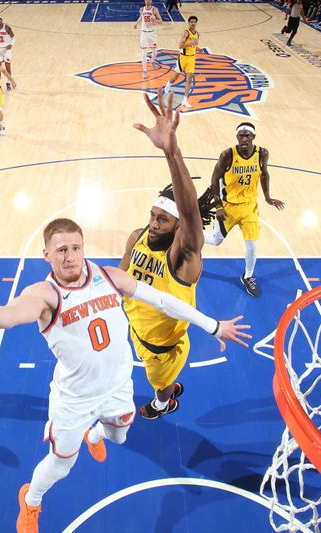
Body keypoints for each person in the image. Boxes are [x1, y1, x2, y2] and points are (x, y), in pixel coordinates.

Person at [0, 217, 250, 533]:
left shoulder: (109, 277)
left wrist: (213, 325)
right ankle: (31, 501)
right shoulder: (44, 295)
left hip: (116, 387)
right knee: (60, 466)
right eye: (62, 250)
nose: (70, 256)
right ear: (47, 256)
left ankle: (94, 435)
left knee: (119, 438)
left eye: (76, 247)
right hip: (74, 401)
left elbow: (162, 300)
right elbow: (5, 316)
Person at [121, 90, 219, 419]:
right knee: (160, 375)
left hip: (160, 351)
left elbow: (191, 211)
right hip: (138, 331)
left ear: (180, 227)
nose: (152, 224)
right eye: (152, 215)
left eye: (162, 219)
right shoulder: (137, 237)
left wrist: (171, 154)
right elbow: (121, 280)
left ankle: (165, 401)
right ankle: (169, 387)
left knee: (157, 386)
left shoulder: (184, 258)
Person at [203, 123, 285, 297]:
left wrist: (268, 197)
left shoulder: (262, 153)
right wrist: (217, 205)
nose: (244, 138)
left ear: (253, 137)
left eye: (247, 135)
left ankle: (247, 277)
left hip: (249, 208)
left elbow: (264, 174)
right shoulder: (227, 155)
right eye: (241, 135)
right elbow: (214, 179)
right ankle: (185, 233)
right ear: (237, 137)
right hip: (229, 207)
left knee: (252, 246)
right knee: (215, 240)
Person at [163, 15, 199, 109]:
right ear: (189, 23)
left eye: (194, 22)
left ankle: (184, 100)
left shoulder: (197, 34)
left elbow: (193, 46)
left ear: (196, 23)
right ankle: (168, 84)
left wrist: (198, 49)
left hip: (191, 58)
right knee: (176, 77)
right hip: (183, 58)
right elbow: (180, 46)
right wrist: (191, 44)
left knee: (189, 79)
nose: (193, 23)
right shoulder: (186, 33)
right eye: (191, 21)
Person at [133, 0, 162, 79]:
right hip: (144, 33)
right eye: (147, 0)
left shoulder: (154, 9)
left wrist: (155, 20)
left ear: (151, 1)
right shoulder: (141, 9)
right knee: (144, 53)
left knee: (155, 52)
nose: (148, 1)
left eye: (149, 0)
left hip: (152, 33)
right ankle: (145, 70)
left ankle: (152, 61)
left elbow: (161, 21)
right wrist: (136, 23)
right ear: (145, 1)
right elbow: (141, 17)